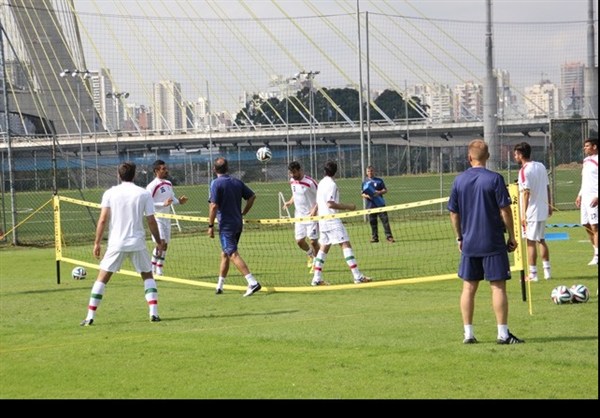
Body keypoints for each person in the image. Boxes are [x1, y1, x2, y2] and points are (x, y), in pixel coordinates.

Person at [448, 139, 524, 345]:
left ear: (469, 157)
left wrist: (460, 237)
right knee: (498, 287)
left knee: (468, 288)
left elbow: (453, 213)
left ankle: (468, 334)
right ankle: (502, 333)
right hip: (492, 241)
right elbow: (505, 210)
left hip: (470, 242)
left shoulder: (459, 180)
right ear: (488, 157)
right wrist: (512, 235)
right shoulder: (495, 179)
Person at [80, 161, 165, 326]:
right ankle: (153, 313)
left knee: (102, 279)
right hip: (137, 243)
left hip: (116, 243)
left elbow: (103, 219)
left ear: (119, 175)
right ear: (134, 175)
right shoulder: (143, 194)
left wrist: (97, 242)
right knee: (147, 276)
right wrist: (159, 241)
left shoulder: (110, 193)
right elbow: (151, 221)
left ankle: (90, 316)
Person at [311, 160, 371, 286]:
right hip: (331, 219)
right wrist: (348, 206)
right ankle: (357, 276)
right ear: (336, 171)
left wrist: (314, 211)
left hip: (322, 220)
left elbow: (318, 201)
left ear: (324, 171)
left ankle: (316, 278)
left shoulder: (321, 183)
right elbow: (330, 203)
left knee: (324, 247)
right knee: (345, 244)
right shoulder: (332, 184)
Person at [208, 157, 261, 296]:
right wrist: (243, 212)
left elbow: (213, 206)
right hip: (238, 223)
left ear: (214, 169)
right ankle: (220, 286)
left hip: (226, 226)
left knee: (232, 254)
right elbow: (252, 196)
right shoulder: (236, 182)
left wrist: (210, 225)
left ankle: (252, 282)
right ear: (227, 168)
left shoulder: (216, 183)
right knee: (225, 253)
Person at [513, 142, 552, 281]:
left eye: (516, 154)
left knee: (530, 242)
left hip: (532, 211)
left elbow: (526, 193)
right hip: (542, 209)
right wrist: (549, 205)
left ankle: (533, 274)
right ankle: (547, 273)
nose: (515, 156)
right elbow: (547, 187)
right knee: (541, 240)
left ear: (521, 155)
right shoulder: (541, 166)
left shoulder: (524, 170)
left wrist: (523, 214)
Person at [146, 159, 188, 276]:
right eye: (163, 169)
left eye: (166, 168)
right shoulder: (151, 186)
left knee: (165, 245)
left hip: (167, 218)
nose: (166, 170)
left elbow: (172, 199)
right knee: (161, 243)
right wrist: (162, 204)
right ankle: (152, 267)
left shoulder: (168, 183)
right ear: (156, 171)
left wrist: (179, 201)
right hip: (157, 218)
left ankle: (158, 267)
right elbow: (148, 203)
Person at [282, 161, 320, 269]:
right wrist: (290, 201)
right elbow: (295, 194)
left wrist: (315, 209)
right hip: (298, 216)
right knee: (299, 241)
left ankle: (317, 264)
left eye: (294, 172)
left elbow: (321, 196)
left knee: (313, 241)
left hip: (311, 216)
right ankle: (310, 255)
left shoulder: (310, 182)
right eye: (291, 173)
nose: (293, 175)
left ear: (300, 170)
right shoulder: (292, 181)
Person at [576, 138, 598, 266]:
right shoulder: (586, 161)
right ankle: (596, 250)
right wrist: (580, 195)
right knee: (586, 224)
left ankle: (597, 255)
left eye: (587, 146)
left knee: (595, 226)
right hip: (585, 198)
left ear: (594, 147)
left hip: (594, 198)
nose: (585, 148)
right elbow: (585, 180)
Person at [361, 165, 394, 243]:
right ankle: (375, 237)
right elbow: (362, 193)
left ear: (374, 171)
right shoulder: (364, 182)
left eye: (371, 171)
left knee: (385, 221)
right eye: (368, 171)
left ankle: (389, 237)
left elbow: (385, 190)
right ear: (366, 172)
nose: (370, 173)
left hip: (380, 204)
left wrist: (379, 192)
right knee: (373, 222)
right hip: (371, 205)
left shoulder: (379, 181)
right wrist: (368, 196)